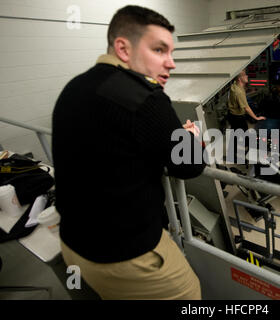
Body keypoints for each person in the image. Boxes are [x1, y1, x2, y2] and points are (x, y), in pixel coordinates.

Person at [52, 5, 205, 300]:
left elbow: (115, 145)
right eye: (159, 50)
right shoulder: (145, 98)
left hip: (73, 246)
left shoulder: (74, 87)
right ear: (123, 48)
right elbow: (190, 167)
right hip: (127, 258)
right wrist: (192, 139)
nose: (170, 63)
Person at [227, 70, 265, 162]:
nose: (247, 76)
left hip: (233, 115)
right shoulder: (239, 92)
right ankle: (239, 154)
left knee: (237, 134)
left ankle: (234, 153)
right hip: (237, 117)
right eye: (245, 75)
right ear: (240, 79)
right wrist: (256, 118)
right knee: (240, 135)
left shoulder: (235, 85)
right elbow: (246, 108)